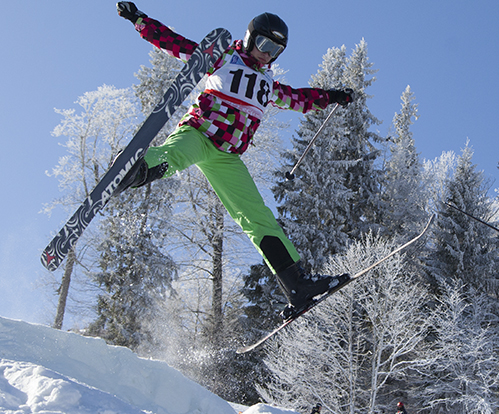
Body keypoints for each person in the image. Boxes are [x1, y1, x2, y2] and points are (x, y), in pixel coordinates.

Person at [115, 3, 355, 317]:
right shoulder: (223, 57)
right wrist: (139, 20)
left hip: (227, 158)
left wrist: (333, 95)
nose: (267, 54)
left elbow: (301, 99)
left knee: (258, 217)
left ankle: (296, 284)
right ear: (250, 38)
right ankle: (136, 170)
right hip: (199, 134)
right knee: (174, 154)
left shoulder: (269, 86)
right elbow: (177, 44)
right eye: (264, 44)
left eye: (276, 49)